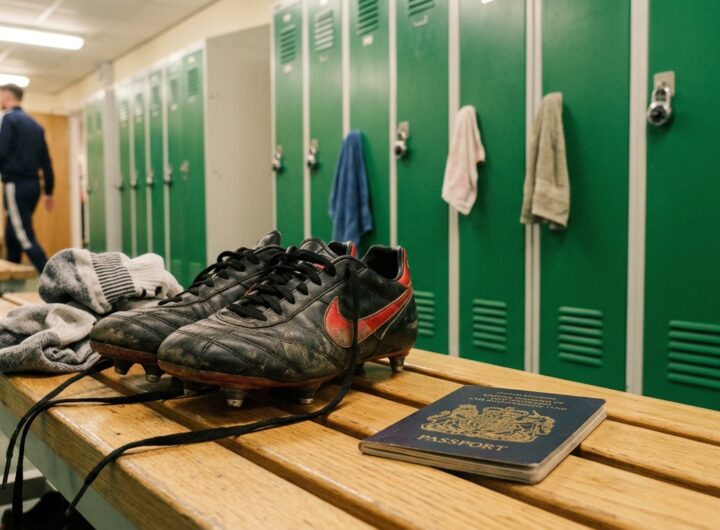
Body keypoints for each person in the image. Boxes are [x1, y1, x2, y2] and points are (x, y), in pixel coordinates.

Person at [0, 83, 54, 272]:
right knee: (12, 234)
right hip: (33, 187)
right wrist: (48, 190)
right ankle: (10, 284)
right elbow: (46, 160)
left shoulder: (7, 119)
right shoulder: (35, 124)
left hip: (15, 184)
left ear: (7, 96)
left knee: (23, 235)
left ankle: (56, 276)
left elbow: (2, 151)